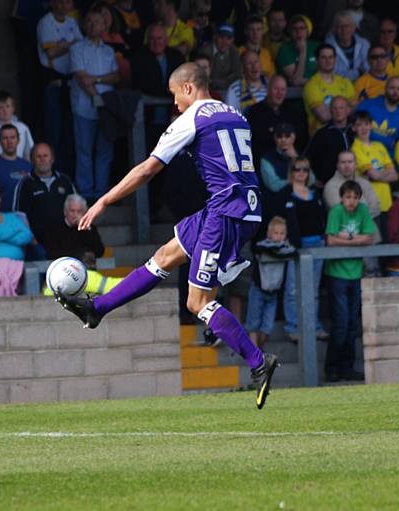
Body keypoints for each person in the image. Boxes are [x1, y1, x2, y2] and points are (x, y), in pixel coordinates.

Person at [54, 62, 279, 409]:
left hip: (225, 213)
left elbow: (148, 169)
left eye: (175, 96)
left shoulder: (191, 119)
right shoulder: (235, 113)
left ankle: (259, 362)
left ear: (188, 87)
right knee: (165, 257)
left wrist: (103, 200)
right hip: (238, 207)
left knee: (197, 302)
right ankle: (97, 309)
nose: (174, 106)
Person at [270, 156, 328, 342]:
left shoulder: (315, 194)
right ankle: (292, 327)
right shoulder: (285, 193)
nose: (301, 173)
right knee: (293, 290)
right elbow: (277, 220)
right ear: (291, 171)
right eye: (297, 169)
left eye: (305, 169)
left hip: (317, 245)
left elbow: (322, 219)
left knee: (313, 290)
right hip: (296, 248)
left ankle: (314, 326)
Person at [323, 180, 375, 382]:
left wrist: (348, 237)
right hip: (337, 274)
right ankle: (331, 368)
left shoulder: (362, 210)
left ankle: (347, 367)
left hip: (356, 273)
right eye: (347, 197)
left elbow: (369, 237)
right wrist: (356, 239)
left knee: (353, 324)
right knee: (341, 324)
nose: (351, 201)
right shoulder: (336, 212)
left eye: (355, 197)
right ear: (341, 198)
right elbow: (330, 240)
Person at [69, 9, 119, 203]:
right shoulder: (77, 48)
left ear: (104, 25)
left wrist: (96, 79)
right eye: (88, 22)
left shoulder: (109, 51)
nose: (91, 26)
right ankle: (86, 194)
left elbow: (116, 76)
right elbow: (82, 78)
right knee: (84, 152)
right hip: (84, 107)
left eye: (96, 22)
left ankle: (101, 194)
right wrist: (96, 97)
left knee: (104, 152)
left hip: (106, 109)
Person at [37, 0, 82, 172]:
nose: (64, 5)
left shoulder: (72, 22)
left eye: (68, 2)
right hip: (52, 81)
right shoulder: (45, 22)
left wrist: (63, 45)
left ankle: (67, 173)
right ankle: (53, 171)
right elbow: (50, 52)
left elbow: (79, 47)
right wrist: (70, 45)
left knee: (69, 133)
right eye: (61, 1)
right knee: (53, 131)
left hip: (70, 82)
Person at [130, 23, 184, 147]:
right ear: (147, 40)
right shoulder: (139, 57)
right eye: (152, 39)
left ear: (166, 40)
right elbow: (141, 85)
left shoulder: (176, 56)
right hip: (147, 119)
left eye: (159, 38)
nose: (156, 42)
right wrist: (169, 90)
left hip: (174, 118)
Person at [245, 216, 295, 348]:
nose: (279, 236)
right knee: (253, 324)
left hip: (273, 294)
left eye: (282, 233)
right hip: (258, 290)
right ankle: (255, 357)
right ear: (269, 233)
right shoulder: (262, 245)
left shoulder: (286, 247)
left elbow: (292, 252)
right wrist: (277, 251)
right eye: (276, 233)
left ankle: (258, 351)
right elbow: (259, 249)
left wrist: (279, 251)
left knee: (267, 328)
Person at [350, 110, 398, 233]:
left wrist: (378, 174)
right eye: (359, 125)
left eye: (366, 124)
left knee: (388, 244)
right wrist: (383, 172)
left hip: (386, 203)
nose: (363, 128)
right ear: (354, 128)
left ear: (371, 125)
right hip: (368, 205)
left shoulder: (379, 146)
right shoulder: (355, 148)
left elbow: (395, 176)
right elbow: (373, 175)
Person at [248, 74, 308, 168]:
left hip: (292, 162)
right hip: (266, 164)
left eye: (283, 89)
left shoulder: (292, 111)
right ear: (268, 90)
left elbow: (301, 137)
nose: (279, 93)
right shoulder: (255, 112)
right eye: (276, 89)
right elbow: (257, 142)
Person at [302, 43, 356, 136]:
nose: (328, 61)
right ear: (317, 60)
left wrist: (332, 110)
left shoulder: (345, 82)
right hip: (322, 136)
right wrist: (345, 109)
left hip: (346, 133)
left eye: (331, 57)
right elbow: (324, 116)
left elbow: (356, 109)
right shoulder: (311, 85)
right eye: (323, 57)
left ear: (335, 59)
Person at [304, 96, 354, 190]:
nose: (338, 111)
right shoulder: (322, 134)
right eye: (335, 108)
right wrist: (312, 179)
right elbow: (307, 159)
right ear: (330, 111)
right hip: (330, 185)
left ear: (348, 110)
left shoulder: (355, 130)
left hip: (354, 182)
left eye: (341, 108)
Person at [0, 124, 33, 211]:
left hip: (25, 220)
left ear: (18, 140)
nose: (9, 141)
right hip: (2, 219)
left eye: (12, 137)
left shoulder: (28, 166)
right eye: (5, 138)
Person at [356, 76, 399, 157]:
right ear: (385, 88)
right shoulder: (367, 105)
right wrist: (388, 142)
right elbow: (357, 128)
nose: (395, 92)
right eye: (392, 88)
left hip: (389, 161)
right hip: (364, 154)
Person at [43, 193, 104, 261]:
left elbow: (100, 251)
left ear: (84, 213)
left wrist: (85, 228)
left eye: (79, 211)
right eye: (72, 211)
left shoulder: (89, 228)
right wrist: (78, 255)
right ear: (65, 212)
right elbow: (51, 253)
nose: (75, 215)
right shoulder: (54, 228)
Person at [0, 90, 34, 161]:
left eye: (8, 106)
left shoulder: (23, 128)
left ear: (13, 108)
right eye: (1, 107)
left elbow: (28, 153)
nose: (5, 110)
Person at [324, 10, 370, 82]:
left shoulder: (364, 44)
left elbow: (368, 69)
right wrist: (358, 72)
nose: (344, 30)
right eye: (340, 26)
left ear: (354, 28)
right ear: (335, 29)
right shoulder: (327, 47)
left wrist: (348, 73)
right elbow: (333, 74)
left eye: (347, 26)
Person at [276, 14, 318, 87]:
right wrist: (302, 53)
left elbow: (326, 74)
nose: (298, 31)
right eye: (294, 28)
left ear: (308, 30)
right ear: (290, 31)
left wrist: (306, 81)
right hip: (293, 94)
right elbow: (296, 81)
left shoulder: (316, 46)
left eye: (302, 28)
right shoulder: (284, 49)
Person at [199, 24, 241, 96]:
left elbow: (237, 74)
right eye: (221, 37)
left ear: (233, 40)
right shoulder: (206, 51)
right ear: (215, 37)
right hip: (207, 91)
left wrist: (216, 82)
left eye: (228, 38)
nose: (224, 42)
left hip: (228, 90)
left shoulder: (234, 50)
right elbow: (204, 79)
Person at [224, 49, 267, 115]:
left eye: (256, 62)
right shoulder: (234, 89)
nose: (254, 66)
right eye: (249, 63)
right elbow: (230, 118)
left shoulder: (270, 85)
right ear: (242, 68)